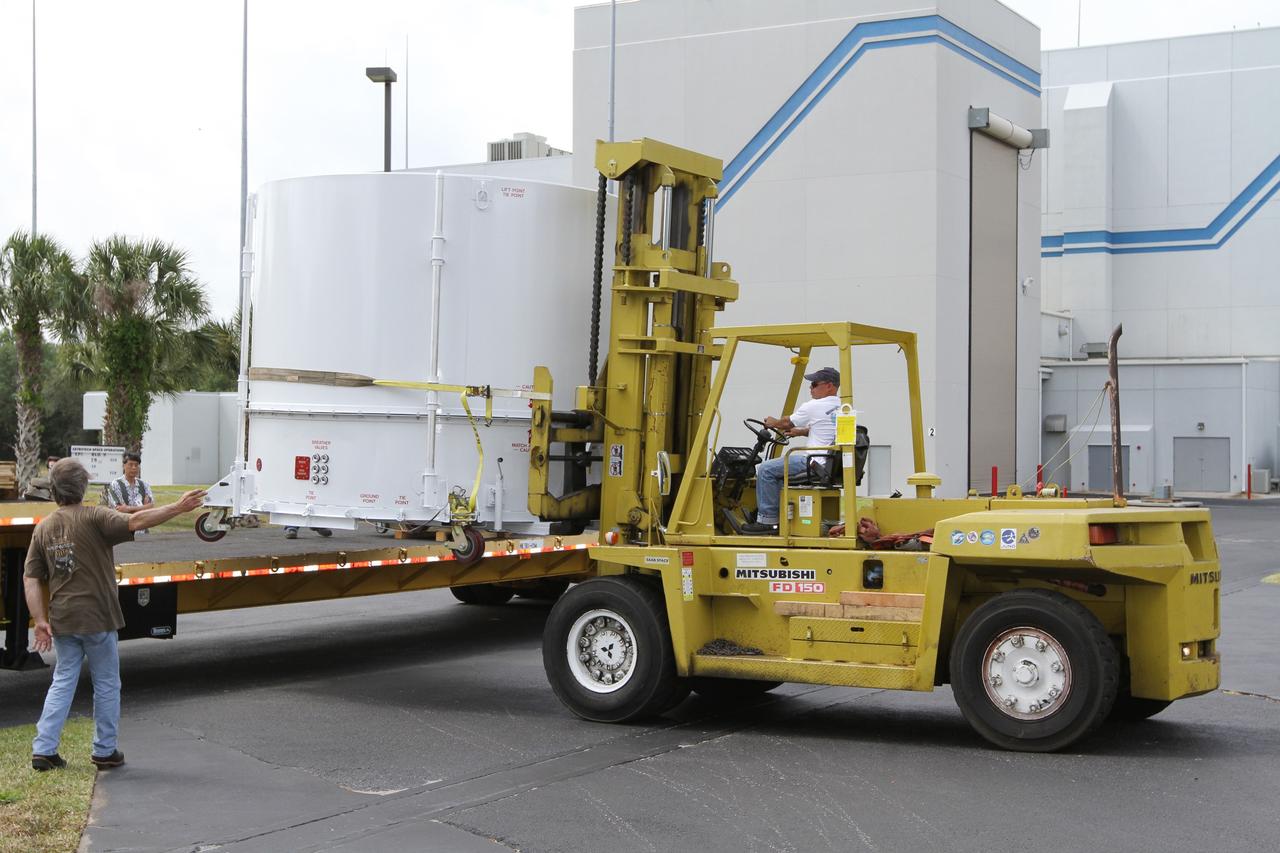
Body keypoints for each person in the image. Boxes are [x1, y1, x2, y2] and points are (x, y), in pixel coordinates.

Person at [24, 458, 206, 772]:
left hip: (63, 618)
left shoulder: (44, 527)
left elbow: (31, 578)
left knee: (63, 680)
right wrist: (178, 507)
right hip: (98, 616)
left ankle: (44, 749)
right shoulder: (95, 517)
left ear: (54, 490)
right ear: (83, 487)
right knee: (107, 682)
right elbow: (138, 521)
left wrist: (40, 621)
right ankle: (104, 750)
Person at [742, 367, 841, 534]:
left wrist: (773, 422)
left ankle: (767, 521)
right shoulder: (842, 407)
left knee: (765, 470)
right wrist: (801, 432)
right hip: (828, 462)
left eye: (814, 384)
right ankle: (780, 515)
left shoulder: (814, 405)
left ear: (829, 386)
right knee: (778, 473)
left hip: (813, 462)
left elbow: (787, 423)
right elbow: (827, 429)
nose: (811, 388)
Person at [105, 452, 154, 535]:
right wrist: (143, 507)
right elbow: (120, 510)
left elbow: (150, 507)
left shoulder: (144, 485)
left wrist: (128, 508)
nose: (134, 468)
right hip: (122, 531)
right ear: (124, 466)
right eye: (130, 464)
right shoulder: (116, 484)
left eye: (136, 465)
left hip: (142, 531)